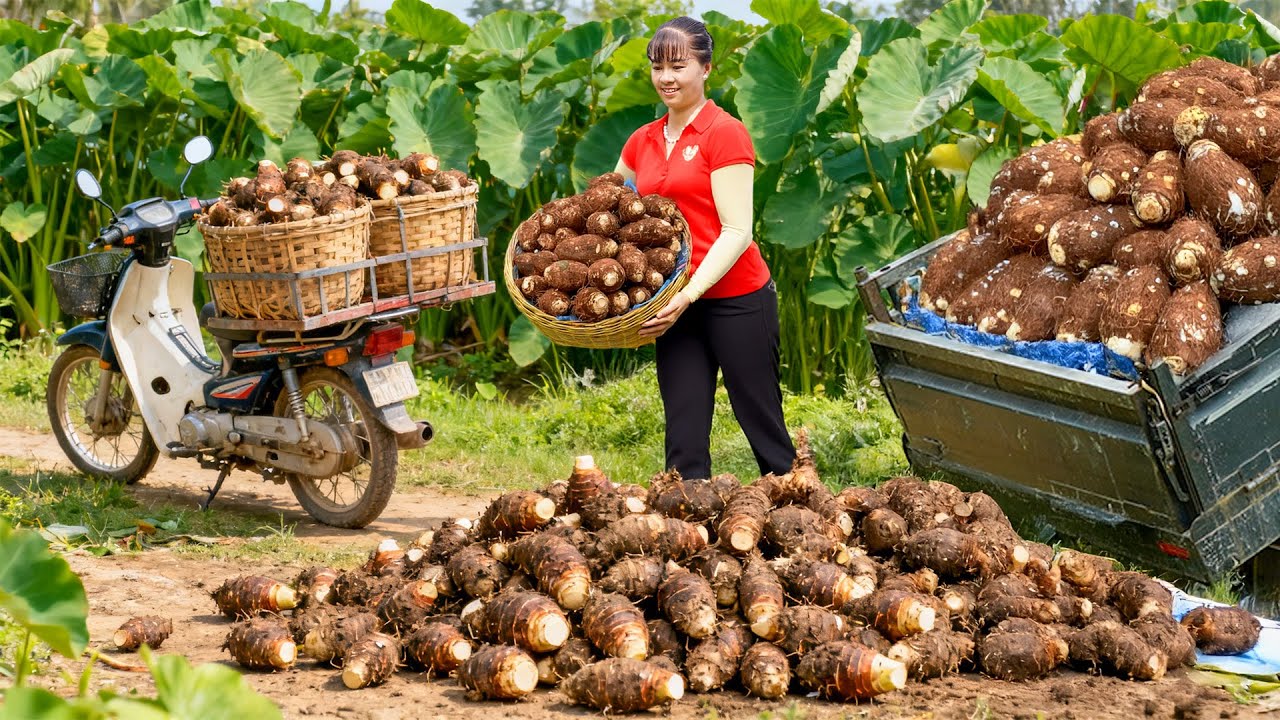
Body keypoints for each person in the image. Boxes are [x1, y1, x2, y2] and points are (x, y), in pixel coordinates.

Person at [613, 16, 795, 481]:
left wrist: (687, 295)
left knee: (762, 424)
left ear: (706, 68)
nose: (666, 78)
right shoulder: (643, 140)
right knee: (684, 436)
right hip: (672, 306)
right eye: (657, 67)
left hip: (736, 298)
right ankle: (687, 535)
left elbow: (737, 231)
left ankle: (802, 518)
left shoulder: (724, 132)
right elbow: (611, 213)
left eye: (679, 65)